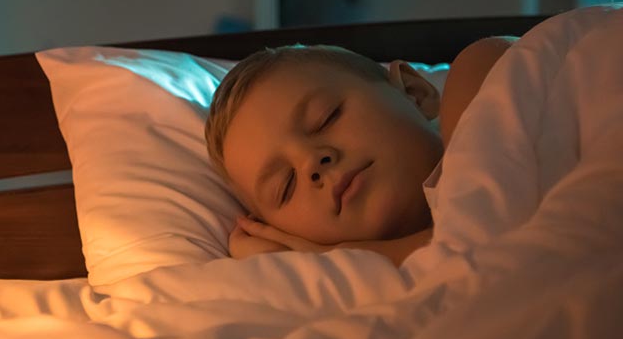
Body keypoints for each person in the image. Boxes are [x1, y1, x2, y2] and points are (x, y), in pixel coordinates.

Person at [204, 36, 516, 267]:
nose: (311, 161)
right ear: (277, 232)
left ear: (414, 92)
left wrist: (329, 258)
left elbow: (492, 230)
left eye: (327, 117)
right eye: (285, 186)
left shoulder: (484, 70)